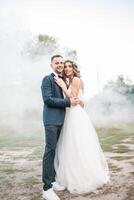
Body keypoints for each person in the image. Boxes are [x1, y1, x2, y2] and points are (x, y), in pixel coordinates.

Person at [54, 60, 110, 194]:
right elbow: (80, 101)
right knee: (71, 146)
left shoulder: (76, 80)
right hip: (70, 114)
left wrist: (62, 86)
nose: (67, 69)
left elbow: (73, 98)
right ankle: (71, 175)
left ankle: (83, 177)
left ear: (73, 69)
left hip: (75, 117)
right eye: (65, 66)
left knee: (78, 144)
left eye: (69, 66)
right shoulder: (70, 81)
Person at [41, 55, 81, 200]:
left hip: (62, 120)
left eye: (61, 63)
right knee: (50, 151)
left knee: (57, 151)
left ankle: (52, 180)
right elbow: (48, 99)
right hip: (51, 121)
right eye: (56, 63)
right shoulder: (47, 79)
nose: (60, 65)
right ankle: (46, 189)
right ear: (51, 65)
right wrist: (69, 102)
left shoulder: (63, 80)